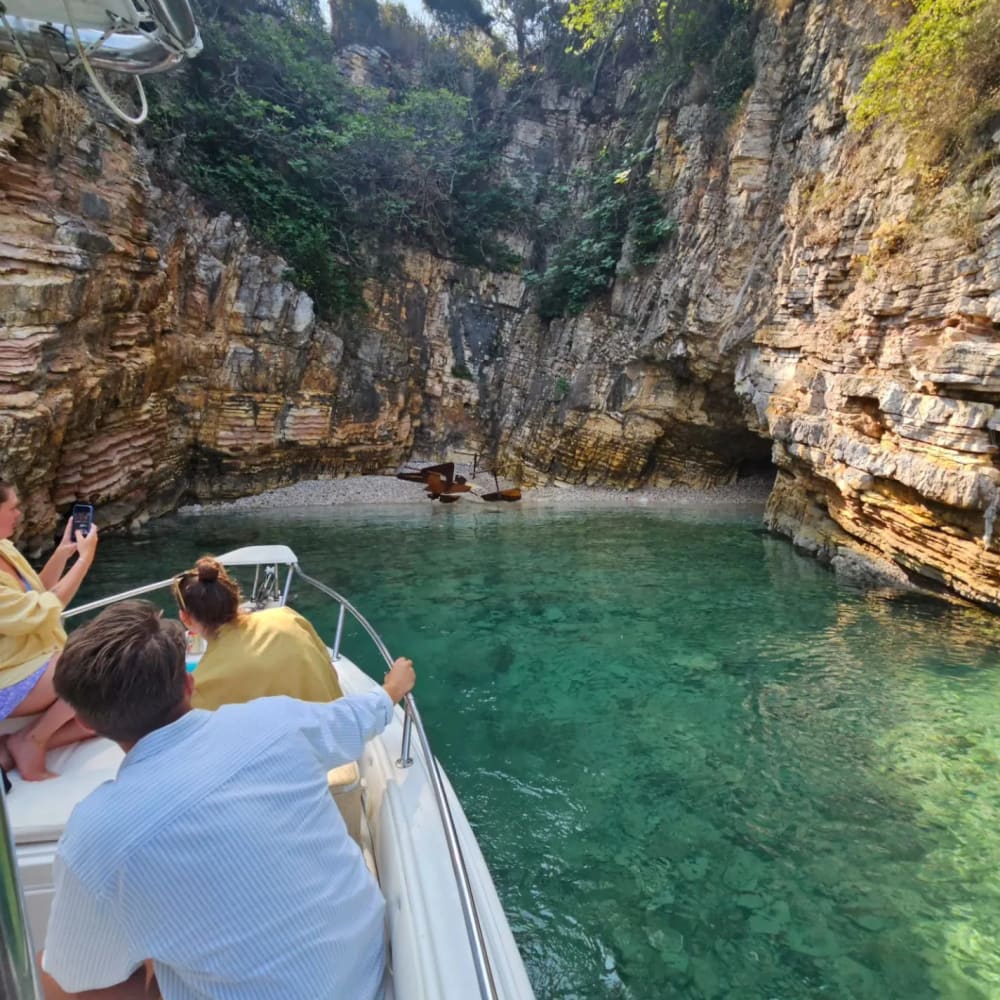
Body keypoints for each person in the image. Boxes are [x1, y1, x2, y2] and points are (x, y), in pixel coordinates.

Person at [40, 599, 415, 1000]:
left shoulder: (95, 835)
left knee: (53, 975)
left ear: (84, 722)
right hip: (362, 968)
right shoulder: (275, 723)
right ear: (188, 684)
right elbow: (358, 716)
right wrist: (392, 687)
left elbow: (75, 975)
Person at [0, 480, 99, 780]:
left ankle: (17, 745)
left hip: (31, 660)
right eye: (12, 507)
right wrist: (84, 560)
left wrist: (64, 552)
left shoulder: (4, 548)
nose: (19, 513)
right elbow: (41, 611)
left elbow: (36, 592)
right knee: (98, 665)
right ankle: (33, 739)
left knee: (104, 706)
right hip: (7, 674)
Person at [172, 555, 344, 710]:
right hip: (340, 732)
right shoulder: (287, 617)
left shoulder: (202, 686)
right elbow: (332, 674)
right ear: (236, 598)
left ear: (185, 618)